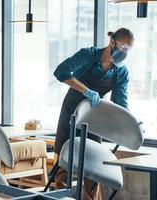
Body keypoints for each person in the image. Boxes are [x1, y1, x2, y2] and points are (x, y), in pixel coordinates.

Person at [53, 28, 133, 200]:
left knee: (93, 168)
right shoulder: (88, 55)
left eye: (129, 50)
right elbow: (60, 72)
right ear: (112, 43)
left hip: (95, 119)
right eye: (123, 48)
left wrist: (131, 123)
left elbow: (121, 104)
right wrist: (86, 91)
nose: (125, 53)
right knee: (63, 165)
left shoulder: (121, 72)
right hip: (71, 113)